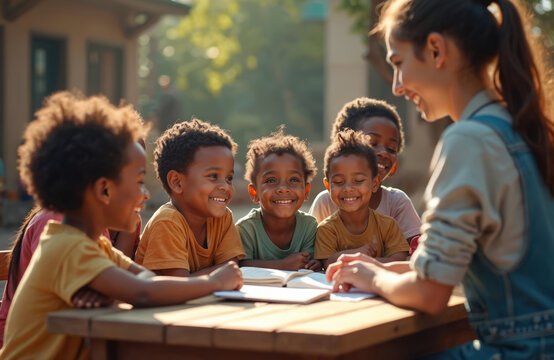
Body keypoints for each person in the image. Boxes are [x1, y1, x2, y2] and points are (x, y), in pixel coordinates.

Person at [327, 0, 554, 358]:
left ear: (436, 50)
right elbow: (461, 263)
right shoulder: (522, 127)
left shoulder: (469, 139)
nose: (398, 86)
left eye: (399, 64)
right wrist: (381, 267)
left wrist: (372, 279)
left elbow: (429, 294)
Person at [0, 92, 242, 359]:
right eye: (139, 182)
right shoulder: (67, 247)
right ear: (104, 189)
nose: (146, 194)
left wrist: (115, 293)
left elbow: (146, 280)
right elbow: (145, 292)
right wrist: (213, 282)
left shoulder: (95, 245)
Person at [135, 118, 245, 276]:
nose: (225, 186)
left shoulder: (223, 217)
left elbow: (231, 267)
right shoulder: (167, 221)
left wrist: (223, 274)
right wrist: (220, 276)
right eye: (213, 176)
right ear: (177, 182)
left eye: (229, 178)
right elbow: (179, 283)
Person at [309, 97, 421, 251]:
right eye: (372, 143)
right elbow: (313, 253)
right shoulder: (326, 202)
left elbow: (416, 254)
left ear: (395, 166)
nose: (383, 152)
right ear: (344, 149)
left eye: (391, 149)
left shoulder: (397, 203)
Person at [315, 129, 409, 269]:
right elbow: (328, 262)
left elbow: (400, 259)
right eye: (339, 182)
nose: (348, 188)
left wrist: (365, 262)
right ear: (328, 186)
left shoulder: (388, 226)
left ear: (375, 184)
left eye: (358, 180)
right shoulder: (326, 230)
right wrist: (356, 253)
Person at [236, 128, 320, 271]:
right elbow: (240, 266)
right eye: (271, 180)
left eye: (293, 179)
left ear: (306, 191)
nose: (283, 188)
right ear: (254, 192)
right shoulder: (246, 229)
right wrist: (282, 266)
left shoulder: (309, 226)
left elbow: (307, 264)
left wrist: (315, 264)